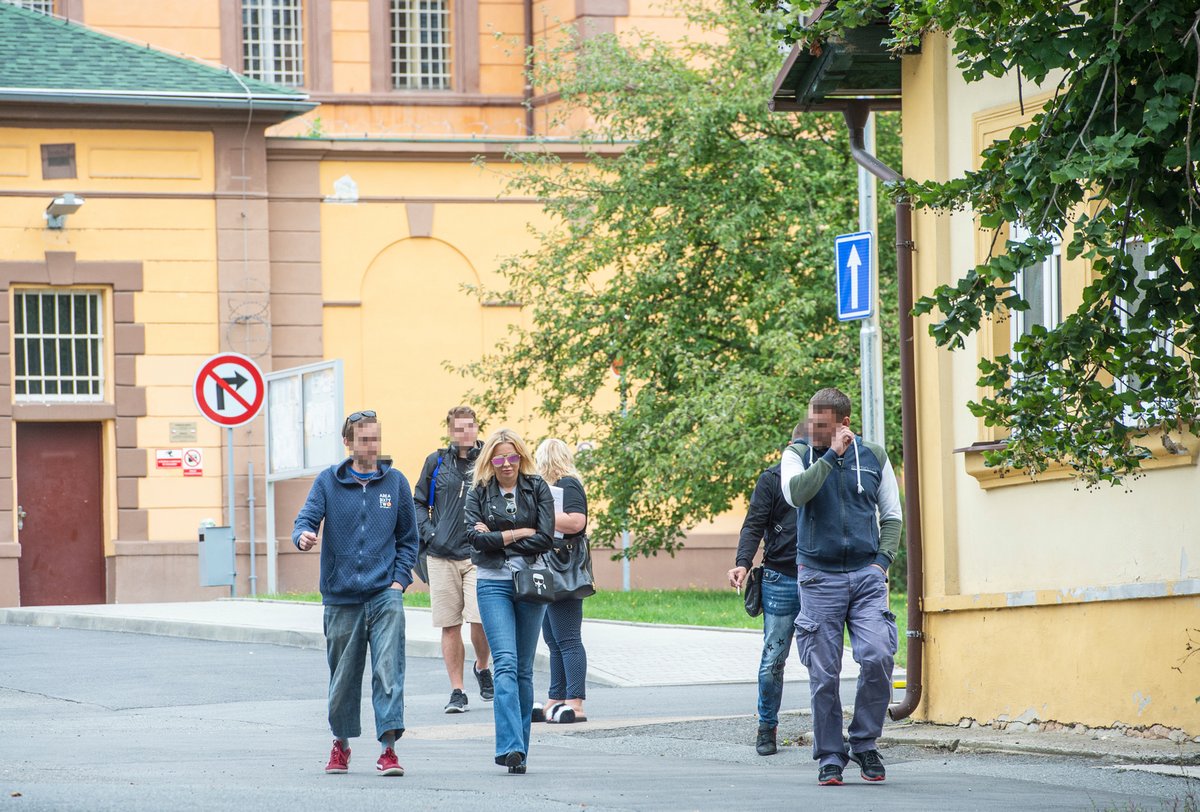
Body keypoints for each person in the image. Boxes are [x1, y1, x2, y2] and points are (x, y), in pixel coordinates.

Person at [781, 387, 902, 786]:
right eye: (812, 421)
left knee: (879, 655)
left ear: (844, 423)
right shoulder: (797, 454)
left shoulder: (874, 457)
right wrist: (830, 455)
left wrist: (881, 563)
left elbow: (892, 515)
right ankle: (831, 755)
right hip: (818, 577)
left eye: (823, 424)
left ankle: (865, 742)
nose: (813, 428)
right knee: (824, 672)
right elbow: (796, 494)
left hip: (866, 576)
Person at [293, 409, 419, 777]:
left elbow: (408, 539)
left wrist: (398, 582)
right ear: (348, 443)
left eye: (375, 439)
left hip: (384, 594)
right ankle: (341, 744)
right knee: (344, 676)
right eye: (364, 440)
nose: (372, 446)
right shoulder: (328, 482)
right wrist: (303, 536)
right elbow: (306, 519)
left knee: (388, 670)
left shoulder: (395, 483)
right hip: (341, 596)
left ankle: (388, 749)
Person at [465, 428, 556, 774]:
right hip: (493, 583)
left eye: (512, 457)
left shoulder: (538, 488)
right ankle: (510, 746)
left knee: (522, 668)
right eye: (500, 458)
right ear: (490, 460)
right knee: (504, 662)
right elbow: (473, 540)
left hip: (531, 583)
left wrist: (497, 538)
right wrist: (519, 533)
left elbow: (546, 538)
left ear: (521, 457)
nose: (506, 465)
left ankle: (521, 749)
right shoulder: (479, 492)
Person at [727, 422, 804, 756]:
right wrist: (743, 562)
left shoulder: (826, 477)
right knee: (773, 658)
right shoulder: (772, 480)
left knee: (825, 661)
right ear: (790, 446)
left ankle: (828, 729)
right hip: (779, 578)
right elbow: (754, 524)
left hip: (822, 579)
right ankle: (766, 727)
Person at [413, 405, 494, 713]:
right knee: (450, 625)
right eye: (459, 428)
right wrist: (429, 533)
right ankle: (457, 691)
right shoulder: (436, 462)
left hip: (478, 554)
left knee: (480, 618)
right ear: (450, 431)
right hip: (441, 554)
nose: (465, 433)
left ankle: (482, 668)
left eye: (470, 427)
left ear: (476, 428)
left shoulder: (488, 460)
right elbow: (418, 501)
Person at [532, 438, 590, 725]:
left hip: (564, 570)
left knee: (568, 639)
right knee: (553, 640)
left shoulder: (568, 485)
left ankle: (575, 702)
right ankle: (556, 697)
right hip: (547, 569)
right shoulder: (545, 489)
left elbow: (576, 522)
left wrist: (542, 515)